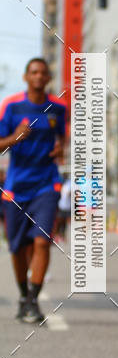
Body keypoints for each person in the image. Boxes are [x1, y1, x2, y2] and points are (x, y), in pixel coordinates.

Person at [0, 58, 66, 324]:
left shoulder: (59, 108)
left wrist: (61, 147)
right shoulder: (11, 106)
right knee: (17, 247)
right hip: (16, 186)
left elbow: (63, 137)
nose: (38, 76)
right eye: (34, 72)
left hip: (47, 184)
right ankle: (23, 294)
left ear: (48, 78)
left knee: (41, 240)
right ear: (26, 77)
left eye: (43, 72)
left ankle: (33, 300)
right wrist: (14, 138)